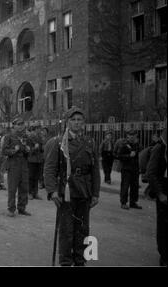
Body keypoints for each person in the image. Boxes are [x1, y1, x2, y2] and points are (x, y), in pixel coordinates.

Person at [44, 106, 100, 266]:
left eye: (79, 120)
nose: (77, 123)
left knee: (82, 230)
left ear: (83, 123)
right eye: (73, 120)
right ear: (67, 122)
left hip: (85, 191)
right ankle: (66, 262)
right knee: (67, 231)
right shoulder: (58, 142)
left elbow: (95, 170)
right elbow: (50, 168)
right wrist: (52, 191)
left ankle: (80, 260)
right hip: (66, 192)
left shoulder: (90, 142)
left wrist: (95, 193)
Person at [1, 117, 32, 217]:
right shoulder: (8, 136)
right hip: (13, 164)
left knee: (24, 187)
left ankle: (22, 208)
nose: (20, 126)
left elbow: (29, 151)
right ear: (13, 126)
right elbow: (4, 151)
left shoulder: (26, 137)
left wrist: (28, 150)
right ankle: (11, 209)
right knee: (12, 188)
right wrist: (14, 150)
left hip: (24, 164)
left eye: (22, 124)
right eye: (18, 124)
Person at [146, 128, 167, 266]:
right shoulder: (159, 148)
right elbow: (151, 173)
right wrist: (160, 194)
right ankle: (164, 256)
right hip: (164, 189)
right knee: (164, 226)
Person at [116, 130, 142, 210]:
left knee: (135, 186)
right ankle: (123, 202)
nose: (132, 137)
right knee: (125, 186)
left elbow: (140, 156)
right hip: (126, 169)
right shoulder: (124, 145)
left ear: (135, 136)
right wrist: (128, 156)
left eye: (133, 135)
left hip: (135, 169)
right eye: (130, 135)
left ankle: (133, 202)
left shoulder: (137, 145)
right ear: (127, 136)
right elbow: (119, 155)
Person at [28, 124, 44, 200]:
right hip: (31, 160)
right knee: (31, 177)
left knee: (37, 177)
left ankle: (35, 193)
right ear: (36, 129)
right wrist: (35, 148)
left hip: (38, 160)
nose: (40, 131)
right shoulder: (30, 137)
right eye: (39, 129)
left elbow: (41, 149)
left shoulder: (40, 137)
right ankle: (30, 193)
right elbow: (28, 150)